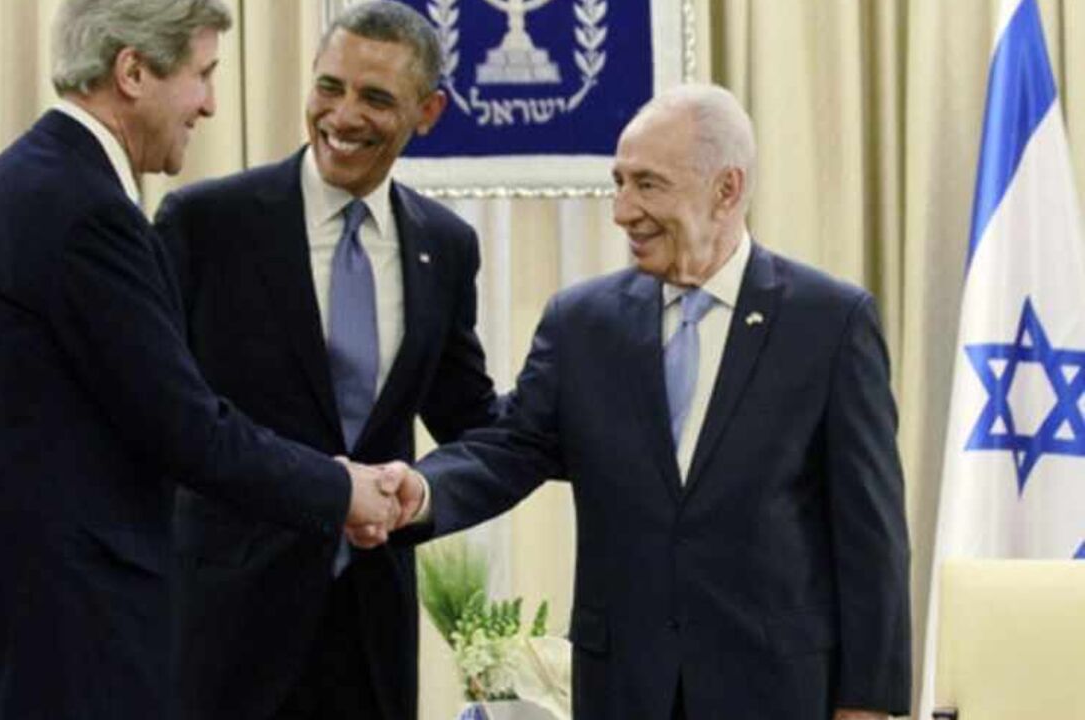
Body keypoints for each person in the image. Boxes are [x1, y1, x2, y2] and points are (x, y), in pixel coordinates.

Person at [0, 2, 403, 719]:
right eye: (202, 74)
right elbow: (185, 428)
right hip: (49, 644)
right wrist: (340, 489)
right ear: (132, 72)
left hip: (10, 626)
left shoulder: (28, 180)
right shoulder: (82, 209)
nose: (210, 104)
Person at [388, 84, 911, 719]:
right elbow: (509, 449)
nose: (622, 211)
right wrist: (420, 490)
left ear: (726, 189)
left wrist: (867, 702)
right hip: (625, 688)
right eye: (619, 182)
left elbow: (870, 535)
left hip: (776, 689)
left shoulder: (828, 322)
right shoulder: (581, 324)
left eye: (647, 185)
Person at [151, 3, 498, 718]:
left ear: (428, 112)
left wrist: (582, 415)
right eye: (329, 87)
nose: (343, 116)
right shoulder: (207, 224)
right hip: (225, 625)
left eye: (376, 98)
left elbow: (470, 420)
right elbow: (154, 406)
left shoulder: (445, 246)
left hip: (370, 632)